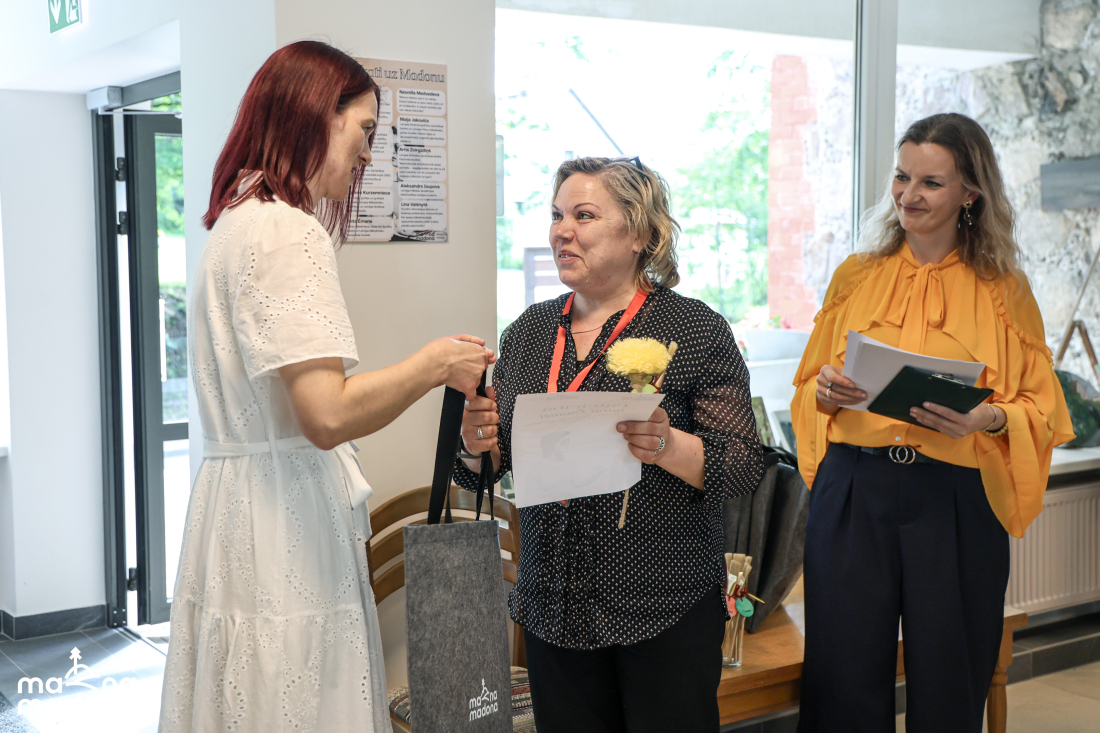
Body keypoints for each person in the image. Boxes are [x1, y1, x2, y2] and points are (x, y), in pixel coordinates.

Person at [158, 41, 493, 733]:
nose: (368, 153)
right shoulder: (288, 230)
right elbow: (325, 415)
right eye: (364, 130)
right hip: (283, 517)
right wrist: (434, 364)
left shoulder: (235, 222)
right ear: (317, 114)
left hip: (234, 507)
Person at [457, 156, 764, 733]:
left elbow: (743, 465)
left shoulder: (693, 329)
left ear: (641, 233)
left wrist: (667, 444)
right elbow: (492, 466)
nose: (562, 231)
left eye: (584, 215)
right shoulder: (527, 333)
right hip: (555, 602)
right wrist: (478, 445)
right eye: (556, 215)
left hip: (662, 604)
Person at [791, 113, 1074, 733]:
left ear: (971, 193)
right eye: (902, 177)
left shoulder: (1004, 290)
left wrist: (987, 416)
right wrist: (827, 392)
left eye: (930, 183)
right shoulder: (856, 275)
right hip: (854, 488)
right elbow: (809, 385)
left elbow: (1044, 408)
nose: (908, 195)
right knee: (841, 676)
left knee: (951, 675)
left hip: (954, 497)